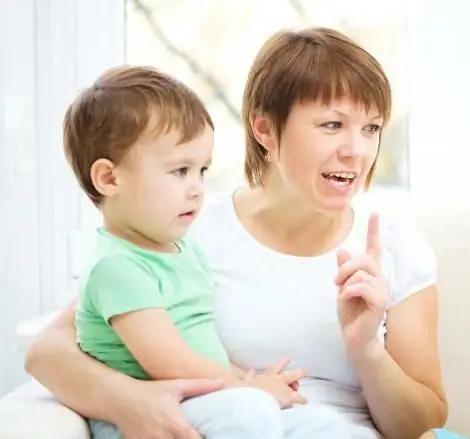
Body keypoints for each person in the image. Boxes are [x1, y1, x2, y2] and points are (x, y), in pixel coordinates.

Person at [25, 27, 448, 439]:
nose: (357, 150)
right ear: (264, 129)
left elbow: (420, 423)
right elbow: (48, 353)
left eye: (371, 128)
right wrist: (130, 403)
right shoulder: (185, 229)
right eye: (332, 125)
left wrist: (366, 347)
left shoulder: (394, 248)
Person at [61, 64, 349, 438]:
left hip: (208, 401)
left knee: (324, 424)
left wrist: (248, 377)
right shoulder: (117, 267)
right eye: (180, 171)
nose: (197, 188)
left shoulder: (182, 249)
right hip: (156, 415)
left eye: (202, 170)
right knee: (250, 411)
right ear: (110, 178)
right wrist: (249, 388)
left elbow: (202, 345)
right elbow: (168, 362)